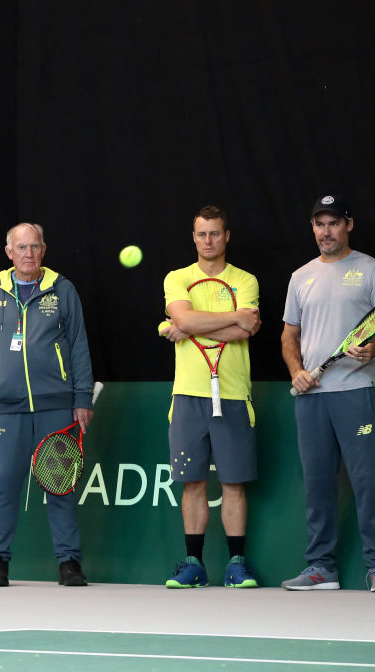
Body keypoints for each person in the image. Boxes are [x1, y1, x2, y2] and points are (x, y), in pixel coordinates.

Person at [280, 194, 375, 592]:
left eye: (333, 223)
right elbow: (289, 335)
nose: (325, 231)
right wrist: (297, 371)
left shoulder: (371, 270)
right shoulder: (300, 277)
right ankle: (321, 568)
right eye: (319, 224)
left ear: (348, 224)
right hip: (312, 396)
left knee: (367, 480)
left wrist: (374, 347)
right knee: (317, 483)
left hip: (356, 390)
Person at [0, 222, 95, 587]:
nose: (28, 254)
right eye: (21, 247)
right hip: (8, 407)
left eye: (34, 247)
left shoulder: (63, 289)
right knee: (5, 485)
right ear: (9, 252)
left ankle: (69, 563)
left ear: (43, 250)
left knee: (60, 485)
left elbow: (78, 346)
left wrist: (82, 398)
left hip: (56, 406)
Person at [159, 205, 262, 589]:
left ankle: (236, 564)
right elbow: (184, 319)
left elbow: (246, 328)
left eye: (215, 234)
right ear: (193, 237)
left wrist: (191, 326)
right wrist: (228, 319)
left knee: (234, 483)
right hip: (187, 396)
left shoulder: (245, 281)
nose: (208, 241)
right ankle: (194, 565)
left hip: (234, 394)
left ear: (227, 236)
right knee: (193, 483)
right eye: (201, 234)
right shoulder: (177, 278)